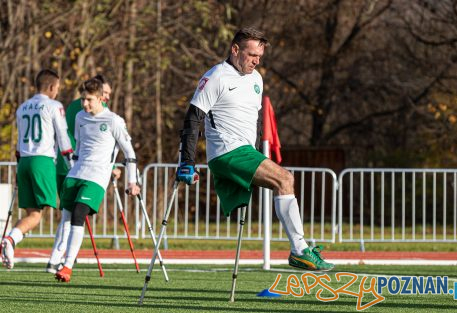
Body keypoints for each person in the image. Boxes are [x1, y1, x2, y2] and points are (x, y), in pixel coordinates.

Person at [177, 27, 334, 271]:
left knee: (284, 181)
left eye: (259, 56)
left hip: (246, 151)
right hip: (226, 152)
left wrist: (260, 152)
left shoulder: (256, 79)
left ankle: (300, 249)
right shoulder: (216, 76)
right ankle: (300, 250)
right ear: (235, 50)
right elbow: (192, 119)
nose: (256, 61)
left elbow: (255, 120)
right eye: (252, 55)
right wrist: (186, 161)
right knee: (285, 179)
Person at [55, 78, 140, 282]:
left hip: (96, 176)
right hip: (76, 173)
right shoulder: (79, 117)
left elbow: (129, 152)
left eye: (89, 100)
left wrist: (132, 181)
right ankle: (56, 262)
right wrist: (70, 167)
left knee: (78, 213)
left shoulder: (114, 120)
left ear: (101, 98)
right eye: (83, 99)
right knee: (66, 218)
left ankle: (67, 267)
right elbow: (79, 147)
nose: (85, 104)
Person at [47, 74, 120, 274]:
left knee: (69, 216)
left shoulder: (74, 106)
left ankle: (57, 259)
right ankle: (60, 259)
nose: (106, 98)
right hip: (75, 166)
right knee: (72, 215)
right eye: (104, 93)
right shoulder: (84, 111)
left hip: (69, 165)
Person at [1, 69, 74, 269]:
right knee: (53, 209)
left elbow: (18, 142)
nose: (57, 92)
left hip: (24, 161)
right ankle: (61, 256)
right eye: (57, 88)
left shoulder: (22, 107)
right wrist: (72, 166)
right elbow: (63, 137)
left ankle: (10, 239)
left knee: (33, 214)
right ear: (51, 87)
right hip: (42, 161)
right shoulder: (53, 106)